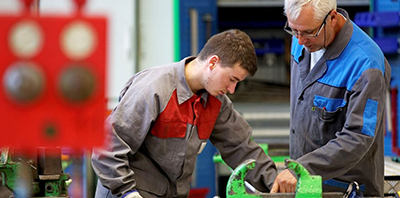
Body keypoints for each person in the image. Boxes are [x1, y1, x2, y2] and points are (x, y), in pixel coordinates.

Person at [91, 29, 278, 198]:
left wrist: (276, 184)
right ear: (213, 62)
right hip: (127, 192)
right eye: (232, 79)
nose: (232, 89)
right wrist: (128, 193)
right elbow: (106, 146)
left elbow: (241, 148)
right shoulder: (154, 89)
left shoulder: (216, 103)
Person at [271, 0, 391, 196]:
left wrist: (304, 168)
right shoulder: (302, 37)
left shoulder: (366, 65)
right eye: (293, 30)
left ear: (332, 18)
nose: (300, 40)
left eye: (308, 32)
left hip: (346, 191)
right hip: (303, 188)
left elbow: (358, 138)